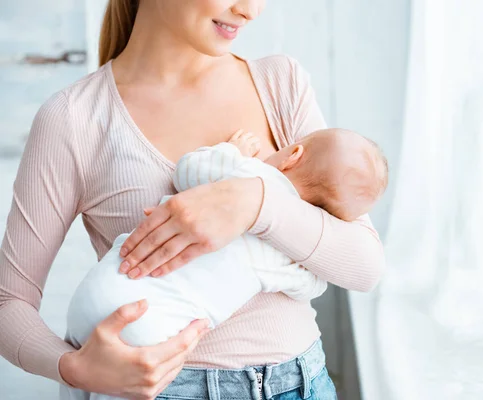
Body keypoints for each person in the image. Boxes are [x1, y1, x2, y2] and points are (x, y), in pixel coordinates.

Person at [0, 1, 386, 399]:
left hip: (299, 384)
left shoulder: (279, 82)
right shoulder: (75, 119)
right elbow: (8, 302)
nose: (250, 10)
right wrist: (74, 368)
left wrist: (254, 201)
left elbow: (366, 267)